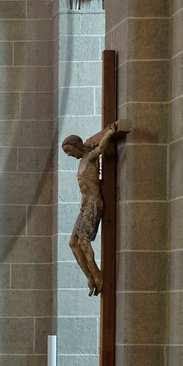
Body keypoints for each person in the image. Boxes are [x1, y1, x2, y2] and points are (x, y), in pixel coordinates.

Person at [63, 121, 120, 296]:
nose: (68, 155)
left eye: (68, 151)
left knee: (83, 241)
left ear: (75, 145)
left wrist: (109, 134)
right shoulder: (81, 162)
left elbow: (101, 148)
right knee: (73, 243)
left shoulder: (90, 158)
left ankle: (98, 275)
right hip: (84, 206)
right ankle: (89, 277)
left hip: (94, 203)